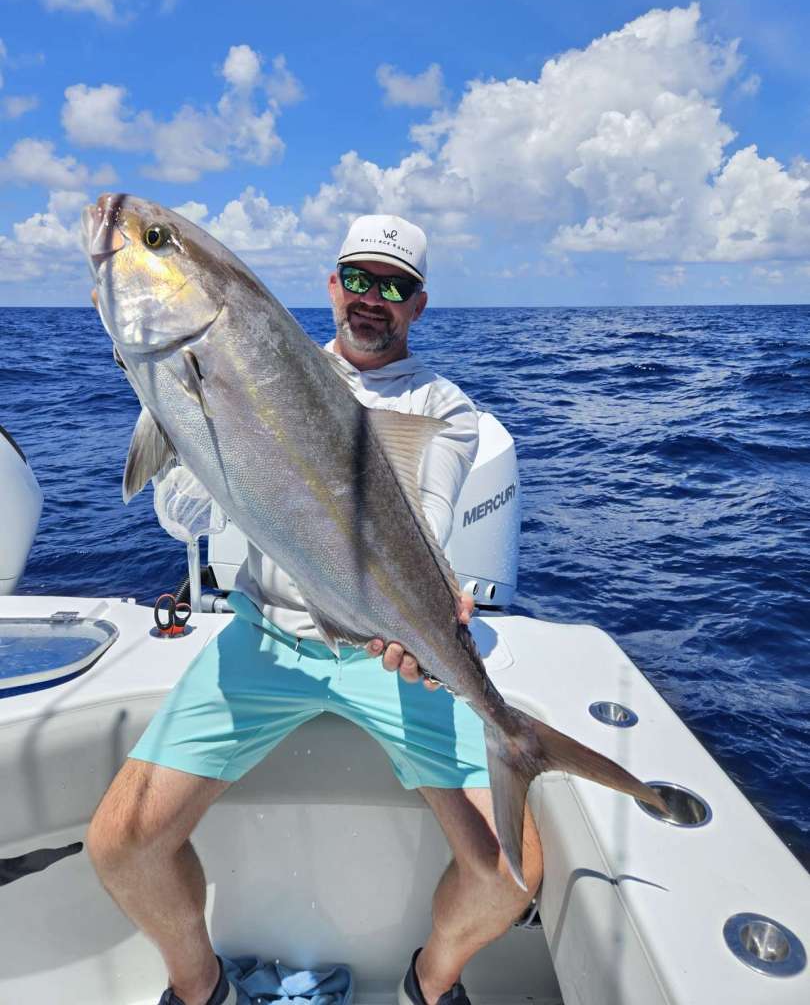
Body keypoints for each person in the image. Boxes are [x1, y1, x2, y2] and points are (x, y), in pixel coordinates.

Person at [87, 215, 543, 1005]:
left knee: (510, 875)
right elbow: (186, 517)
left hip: (386, 656)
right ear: (333, 286)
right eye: (360, 280)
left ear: (418, 305)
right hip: (264, 639)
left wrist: (424, 620)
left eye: (394, 288)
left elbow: (421, 527)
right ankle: (200, 990)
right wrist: (163, 390)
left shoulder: (446, 409)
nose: (374, 300)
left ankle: (429, 987)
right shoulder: (256, 362)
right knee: (119, 844)